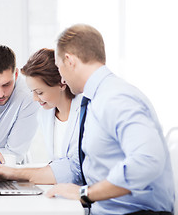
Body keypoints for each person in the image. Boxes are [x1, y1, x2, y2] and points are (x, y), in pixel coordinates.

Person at [46, 24, 174, 214]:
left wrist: (86, 193)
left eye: (59, 68)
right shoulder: (97, 98)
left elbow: (147, 160)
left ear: (69, 60)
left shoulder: (116, 97)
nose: (62, 79)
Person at [0, 48, 82, 185]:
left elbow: (74, 170)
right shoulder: (47, 113)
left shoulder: (85, 113)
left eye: (39, 92)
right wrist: (8, 174)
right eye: (32, 92)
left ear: (61, 82)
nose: (35, 98)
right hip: (61, 190)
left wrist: (14, 174)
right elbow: (57, 165)